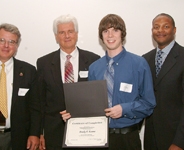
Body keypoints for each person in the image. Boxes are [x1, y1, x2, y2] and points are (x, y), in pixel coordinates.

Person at [61, 14, 156, 150]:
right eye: (106, 31)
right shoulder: (94, 68)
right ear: (101, 36)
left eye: (115, 30)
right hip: (98, 139)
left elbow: (149, 104)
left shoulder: (139, 64)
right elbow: (91, 107)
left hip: (128, 139)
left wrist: (124, 109)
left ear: (122, 34)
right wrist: (73, 115)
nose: (110, 35)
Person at [37, 14, 100, 150]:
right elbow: (40, 102)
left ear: (76, 34)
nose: (67, 36)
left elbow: (97, 99)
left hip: (86, 131)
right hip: (54, 132)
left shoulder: (94, 60)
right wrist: (40, 133)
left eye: (70, 31)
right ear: (56, 36)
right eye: (61, 32)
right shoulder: (44, 63)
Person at [0, 23, 41, 150]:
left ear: (16, 46)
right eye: (2, 40)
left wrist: (34, 134)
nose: (6, 45)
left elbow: (35, 108)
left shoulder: (29, 71)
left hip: (19, 138)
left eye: (11, 42)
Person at [143, 13, 184, 150]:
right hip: (151, 138)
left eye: (166, 26)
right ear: (152, 31)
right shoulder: (145, 60)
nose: (160, 30)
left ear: (174, 30)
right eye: (156, 27)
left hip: (175, 139)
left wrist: (179, 142)